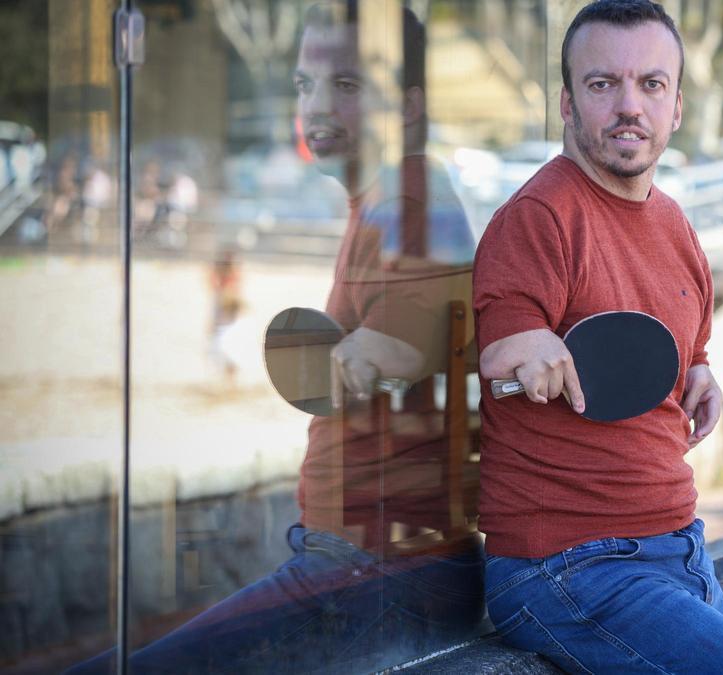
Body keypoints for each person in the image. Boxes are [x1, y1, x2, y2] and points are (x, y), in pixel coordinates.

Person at [69, 4, 484, 673]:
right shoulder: (386, 196)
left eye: (346, 86)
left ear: (407, 107)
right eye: (303, 85)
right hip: (367, 565)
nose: (316, 106)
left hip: (380, 576)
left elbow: (410, 347)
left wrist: (355, 354)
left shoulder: (408, 197)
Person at [472, 2, 723, 673]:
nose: (630, 105)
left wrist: (698, 374)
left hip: (680, 547)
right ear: (567, 103)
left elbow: (689, 343)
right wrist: (532, 348)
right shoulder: (538, 216)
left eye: (651, 85)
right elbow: (504, 342)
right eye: (603, 85)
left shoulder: (675, 224)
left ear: (676, 105)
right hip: (565, 567)